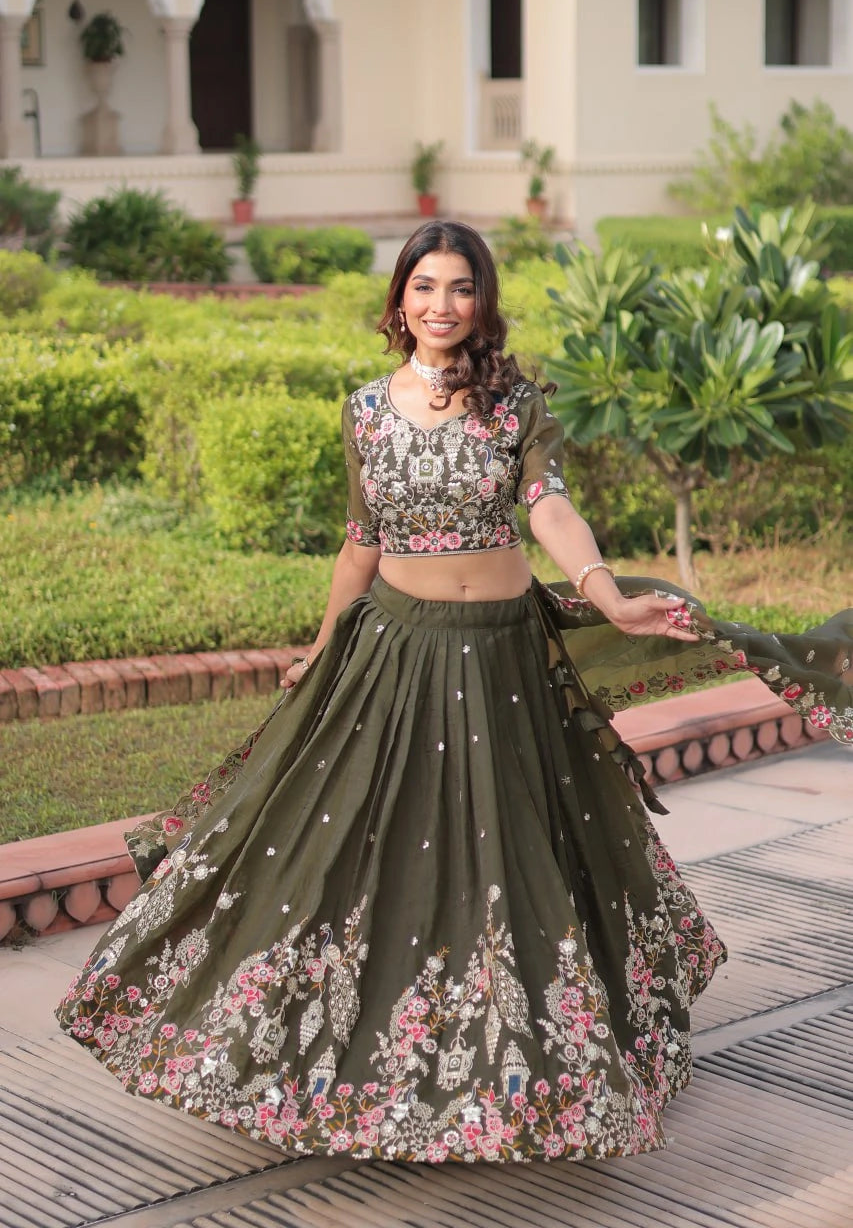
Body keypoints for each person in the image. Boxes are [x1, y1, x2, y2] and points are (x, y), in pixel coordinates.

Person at [56, 221, 852, 1165]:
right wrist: (321, 645)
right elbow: (360, 538)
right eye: (423, 286)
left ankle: (537, 1074)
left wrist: (605, 594)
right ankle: (345, 1061)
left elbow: (548, 504)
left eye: (460, 287)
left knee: (513, 858)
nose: (441, 304)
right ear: (398, 301)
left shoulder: (511, 403)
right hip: (395, 650)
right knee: (355, 848)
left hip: (503, 658)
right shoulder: (361, 409)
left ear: (483, 301)